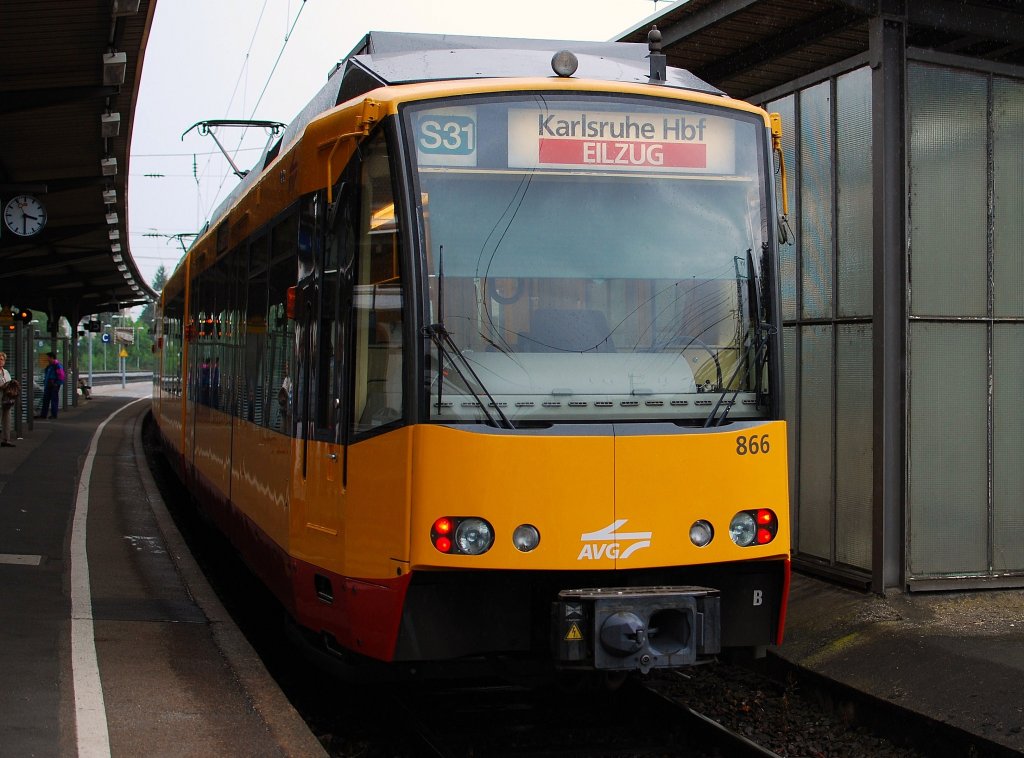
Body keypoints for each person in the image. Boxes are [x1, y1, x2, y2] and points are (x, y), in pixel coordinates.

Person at [39, 351, 65, 419]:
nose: (47, 359)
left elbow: (61, 376)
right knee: (46, 400)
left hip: (54, 385)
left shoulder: (57, 365)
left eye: (48, 358)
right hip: (48, 385)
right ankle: (43, 414)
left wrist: (57, 384)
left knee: (54, 400)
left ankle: (54, 414)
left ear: (52, 358)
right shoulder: (49, 366)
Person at [0, 351, 18, 447]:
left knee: (7, 419)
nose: (0, 361)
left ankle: (6, 439)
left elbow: (9, 383)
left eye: (2, 359)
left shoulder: (6, 372)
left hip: (7, 400)